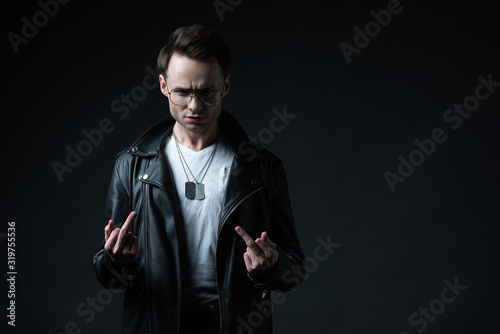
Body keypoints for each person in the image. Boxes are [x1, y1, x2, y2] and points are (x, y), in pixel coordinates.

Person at [93, 24, 305, 334]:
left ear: (226, 86)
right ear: (164, 86)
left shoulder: (262, 168)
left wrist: (271, 268)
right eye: (182, 92)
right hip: (157, 324)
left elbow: (294, 269)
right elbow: (108, 276)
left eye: (206, 93)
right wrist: (116, 261)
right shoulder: (131, 166)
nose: (194, 106)